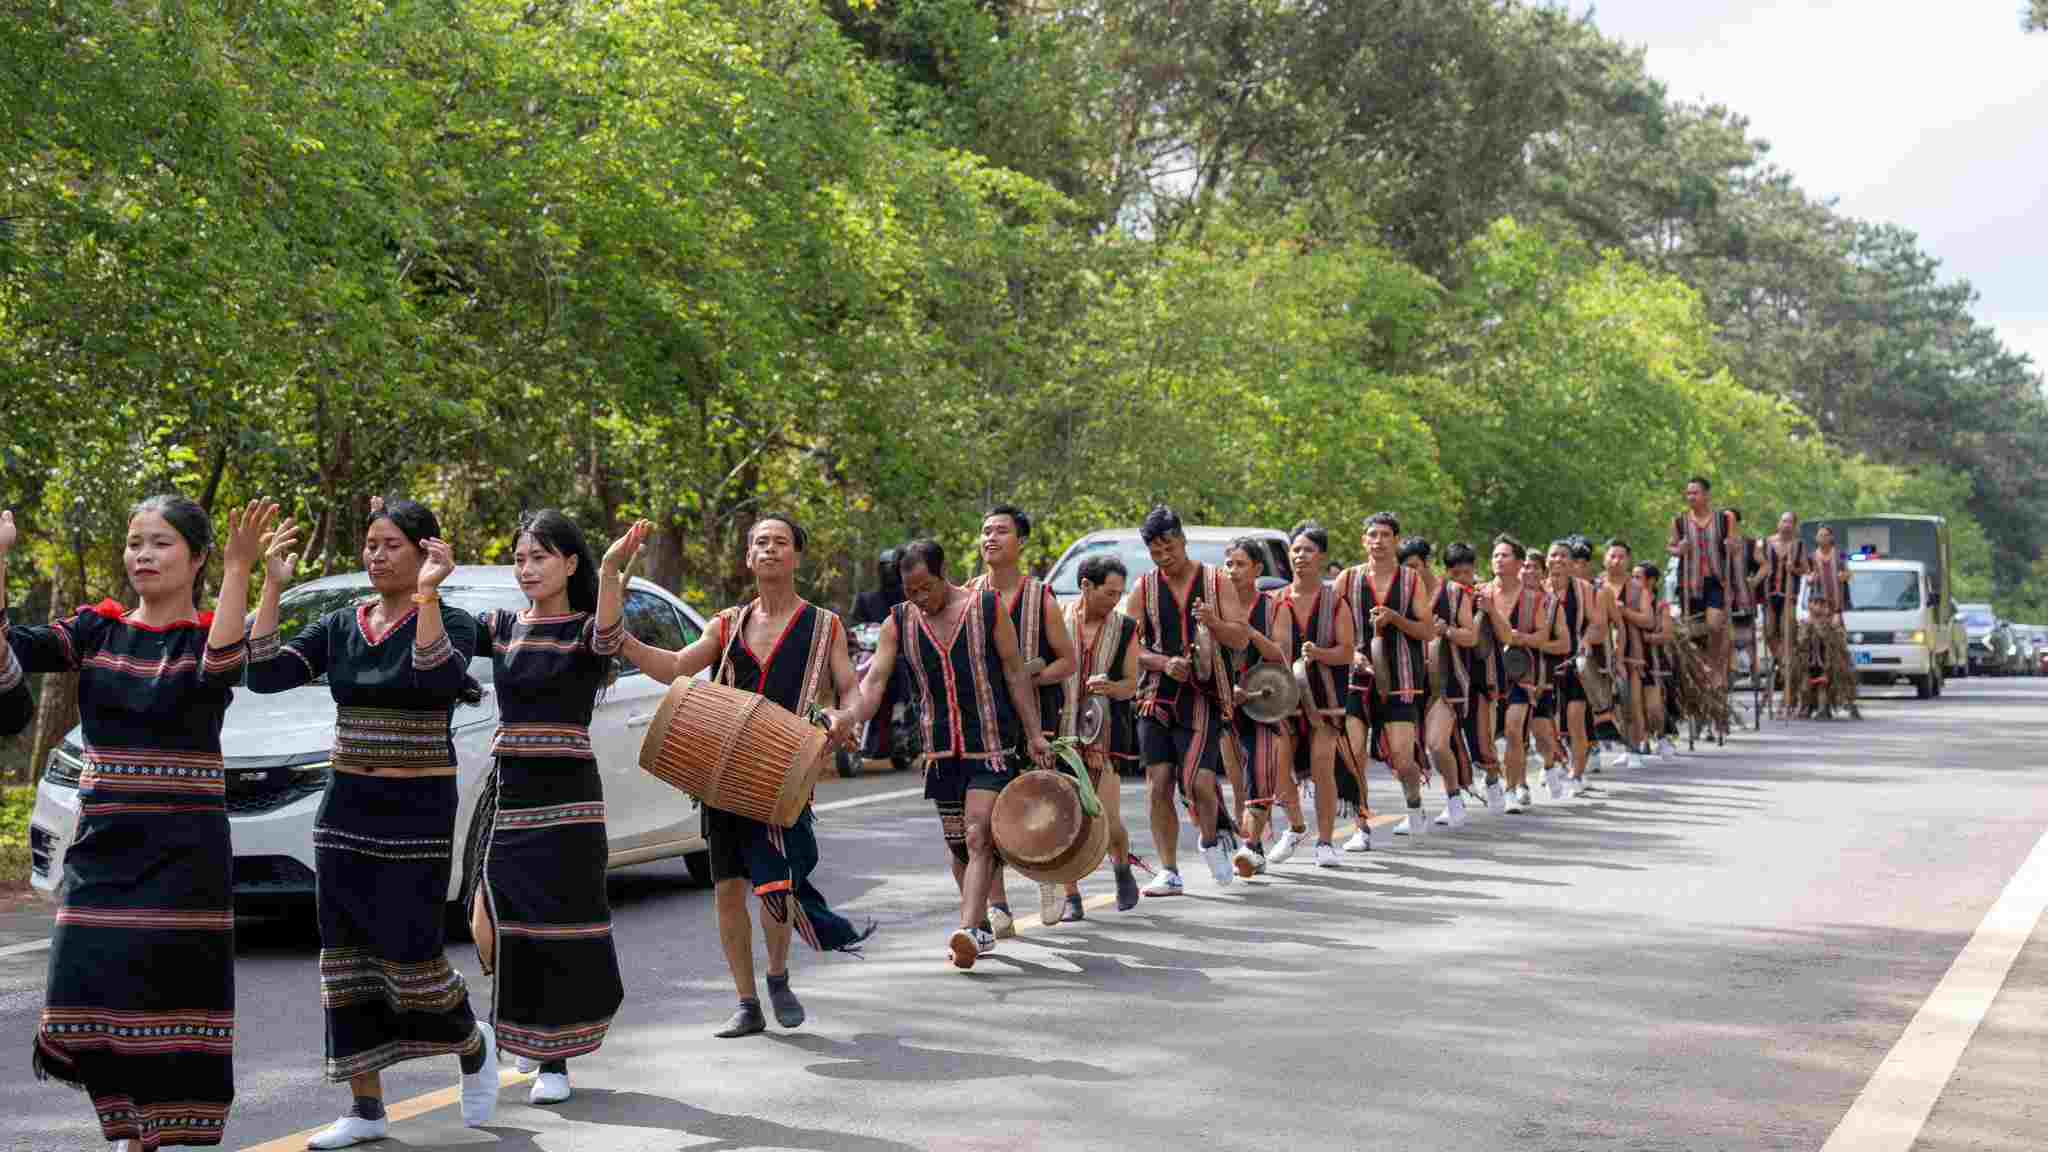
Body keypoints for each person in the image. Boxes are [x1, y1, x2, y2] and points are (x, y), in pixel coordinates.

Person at [7, 497, 271, 1151]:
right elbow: (14, 648)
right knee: (76, 996)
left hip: (185, 858)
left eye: (160, 543)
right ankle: (132, 1123)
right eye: (135, 543)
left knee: (165, 1001)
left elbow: (223, 665)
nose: (143, 556)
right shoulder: (96, 630)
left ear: (197, 557)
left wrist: (241, 569)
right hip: (103, 849)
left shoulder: (206, 634)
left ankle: (142, 1134)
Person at [247, 497, 499, 1148]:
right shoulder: (340, 624)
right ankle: (365, 1107)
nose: (376, 556)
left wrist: (427, 595)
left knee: (413, 957)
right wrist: (270, 586)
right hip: (346, 811)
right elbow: (265, 673)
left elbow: (434, 678)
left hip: (417, 813)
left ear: (426, 551)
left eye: (391, 545)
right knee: (345, 960)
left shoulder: (455, 621)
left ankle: (472, 1043)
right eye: (371, 544)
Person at [618, 515, 872, 1029]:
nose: (770, 549)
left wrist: (844, 717)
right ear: (748, 558)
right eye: (761, 543)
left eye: (780, 542)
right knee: (728, 888)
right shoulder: (727, 623)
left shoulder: (825, 625)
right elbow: (677, 667)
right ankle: (746, 1003)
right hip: (723, 773)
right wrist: (622, 642)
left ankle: (777, 976)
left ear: (796, 556)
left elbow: (852, 690)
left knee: (776, 887)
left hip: (783, 775)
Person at [461, 510, 631, 1105]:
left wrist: (612, 571)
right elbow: (435, 639)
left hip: (569, 801)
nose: (527, 568)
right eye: (520, 558)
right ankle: (520, 1027)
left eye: (539, 557)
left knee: (558, 927)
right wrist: (424, 585)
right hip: (510, 793)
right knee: (491, 919)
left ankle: (554, 1059)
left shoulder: (585, 631)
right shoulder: (501, 627)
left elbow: (608, 635)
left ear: (570, 564)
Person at [853, 538, 1050, 969]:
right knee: (960, 846)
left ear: (944, 574)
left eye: (926, 587)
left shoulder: (986, 607)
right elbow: (874, 682)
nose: (920, 598)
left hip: (991, 744)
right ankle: (981, 925)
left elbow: (1015, 673)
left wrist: (1035, 734)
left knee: (979, 835)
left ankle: (968, 930)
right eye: (911, 591)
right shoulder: (898, 622)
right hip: (940, 750)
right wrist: (848, 718)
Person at [1126, 506, 1249, 894]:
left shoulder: (1215, 582)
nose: (1165, 556)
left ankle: (1212, 840)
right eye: (1156, 551)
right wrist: (1163, 662)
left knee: (1199, 781)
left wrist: (1213, 622)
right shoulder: (1143, 588)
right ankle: (1169, 870)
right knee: (1158, 783)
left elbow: (1240, 638)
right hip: (1155, 697)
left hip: (1204, 697)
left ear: (1183, 540)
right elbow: (1128, 647)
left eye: (1170, 547)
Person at [968, 505, 1076, 931]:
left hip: (1036, 722)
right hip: (985, 725)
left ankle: (1050, 879)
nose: (991, 538)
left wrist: (1028, 677)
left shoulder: (1040, 597)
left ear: (1021, 542)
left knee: (1038, 807)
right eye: (986, 531)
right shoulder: (968, 594)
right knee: (987, 817)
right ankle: (998, 907)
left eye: (1001, 531)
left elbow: (1067, 661)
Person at [1338, 513, 1436, 838]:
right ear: (1364, 540)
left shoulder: (1410, 580)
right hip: (1356, 676)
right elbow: (1332, 627)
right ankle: (1361, 828)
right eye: (1372, 534)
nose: (1378, 540)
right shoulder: (1348, 579)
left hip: (1402, 676)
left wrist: (1396, 619)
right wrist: (1351, 654)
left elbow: (1427, 631)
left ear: (1396, 540)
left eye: (1384, 535)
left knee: (1402, 758)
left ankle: (1414, 804)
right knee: (1353, 754)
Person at [1060, 553, 1143, 913]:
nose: (1115, 600)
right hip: (1060, 733)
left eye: (1119, 594)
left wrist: (1111, 687)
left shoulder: (1125, 628)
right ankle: (1071, 895)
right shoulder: (1056, 620)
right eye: (1109, 593)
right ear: (1085, 586)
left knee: (1107, 817)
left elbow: (1131, 685)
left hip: (1104, 735)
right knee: (1064, 819)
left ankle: (1122, 867)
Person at [1223, 536, 1305, 874]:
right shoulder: (1217, 606)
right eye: (1229, 564)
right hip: (1227, 703)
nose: (1233, 570)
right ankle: (1256, 844)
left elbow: (1281, 656)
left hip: (1265, 704)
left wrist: (1250, 632)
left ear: (1257, 569)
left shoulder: (1275, 608)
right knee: (1241, 782)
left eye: (1241, 564)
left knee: (1268, 777)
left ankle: (1268, 838)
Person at [1275, 521, 1355, 866]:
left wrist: (1320, 654)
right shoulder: (1275, 600)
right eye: (1295, 550)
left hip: (1326, 701)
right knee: (1276, 768)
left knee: (1323, 767)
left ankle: (1325, 843)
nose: (1300, 556)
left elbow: (1347, 652)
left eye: (1308, 550)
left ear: (1321, 556)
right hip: (1282, 700)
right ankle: (1296, 827)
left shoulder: (1336, 602)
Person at [1481, 535, 1566, 814]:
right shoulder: (1481, 593)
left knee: (1514, 730)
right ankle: (1493, 779)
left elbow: (1542, 636)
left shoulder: (1535, 599)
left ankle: (1511, 790)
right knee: (1486, 736)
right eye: (1495, 555)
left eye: (1505, 555)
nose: (1498, 560)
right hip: (1486, 672)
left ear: (1518, 563)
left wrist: (1519, 638)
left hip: (1522, 672)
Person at [1413, 540, 1480, 828]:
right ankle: (1413, 812)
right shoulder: (1400, 594)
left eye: (1414, 566)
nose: (1409, 572)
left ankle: (1454, 799)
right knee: (1406, 753)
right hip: (1409, 682)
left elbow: (1472, 637)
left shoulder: (1453, 593)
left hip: (1446, 682)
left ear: (1427, 563)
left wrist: (1447, 631)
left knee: (1437, 744)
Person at [1547, 538, 1609, 797]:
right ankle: (1553, 765)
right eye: (1553, 555)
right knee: (1548, 723)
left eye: (1564, 556)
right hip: (1545, 663)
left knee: (1575, 720)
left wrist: (1586, 640)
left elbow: (1598, 625)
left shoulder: (1584, 590)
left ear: (1572, 563)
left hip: (1575, 663)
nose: (1558, 560)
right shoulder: (1538, 588)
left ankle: (1576, 774)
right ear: (1547, 560)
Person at [1669, 477, 1739, 694]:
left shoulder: (1725, 519)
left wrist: (1731, 545)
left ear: (1707, 495)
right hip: (1690, 583)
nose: (1691, 497)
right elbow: (1671, 547)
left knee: (1715, 625)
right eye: (1688, 493)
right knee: (1694, 634)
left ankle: (1716, 667)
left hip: (1716, 581)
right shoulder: (1679, 521)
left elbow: (1735, 547)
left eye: (1695, 493)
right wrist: (1679, 549)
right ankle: (1702, 670)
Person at [1602, 540, 1657, 771]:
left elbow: (1649, 620)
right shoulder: (1596, 585)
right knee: (1609, 704)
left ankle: (1634, 749)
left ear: (1628, 560)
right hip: (1602, 652)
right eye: (1612, 556)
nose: (1616, 561)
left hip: (1631, 654)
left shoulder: (1637, 589)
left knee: (1632, 703)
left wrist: (1624, 612)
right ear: (1605, 559)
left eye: (1621, 556)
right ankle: (1623, 746)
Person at [1801, 524, 1860, 721]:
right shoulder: (1812, 556)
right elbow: (1807, 575)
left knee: (1837, 650)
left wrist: (1844, 576)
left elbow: (1850, 573)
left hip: (1835, 610)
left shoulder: (1840, 554)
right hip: (1817, 608)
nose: (1823, 538)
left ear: (1831, 538)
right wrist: (1810, 578)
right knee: (1808, 647)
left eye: (1826, 535)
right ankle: (1808, 701)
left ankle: (1844, 695)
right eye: (1820, 535)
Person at [1759, 513, 1809, 707]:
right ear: (1778, 523)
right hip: (1769, 595)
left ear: (1794, 526)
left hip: (1789, 596)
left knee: (1787, 635)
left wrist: (1793, 569)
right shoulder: (1767, 542)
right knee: (1769, 633)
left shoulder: (1799, 545)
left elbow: (1805, 569)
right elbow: (1758, 562)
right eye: (1783, 521)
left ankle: (1788, 685)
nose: (1786, 525)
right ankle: (1784, 664)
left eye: (1790, 522)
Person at [1635, 563, 1677, 760]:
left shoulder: (1661, 606)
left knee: (1653, 707)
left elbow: (1667, 635)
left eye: (1638, 577)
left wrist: (1646, 638)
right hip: (1631, 660)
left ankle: (1661, 737)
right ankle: (1641, 741)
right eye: (1632, 577)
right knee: (1635, 704)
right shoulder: (1628, 603)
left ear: (1651, 581)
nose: (1633, 581)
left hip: (1653, 661)